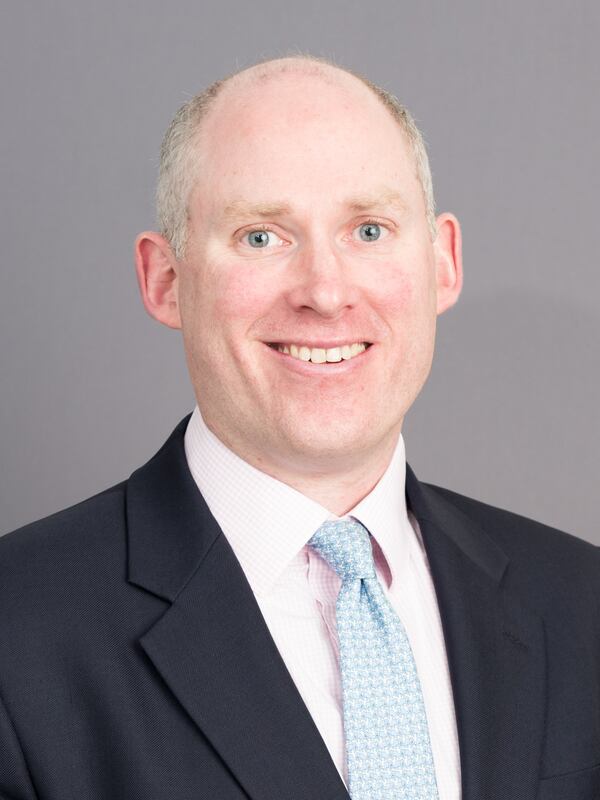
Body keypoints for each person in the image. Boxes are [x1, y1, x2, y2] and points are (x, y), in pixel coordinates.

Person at [0, 55, 598, 800]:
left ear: (443, 263)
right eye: (261, 236)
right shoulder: (17, 634)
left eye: (370, 230)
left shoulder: (582, 605)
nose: (324, 290)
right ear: (166, 281)